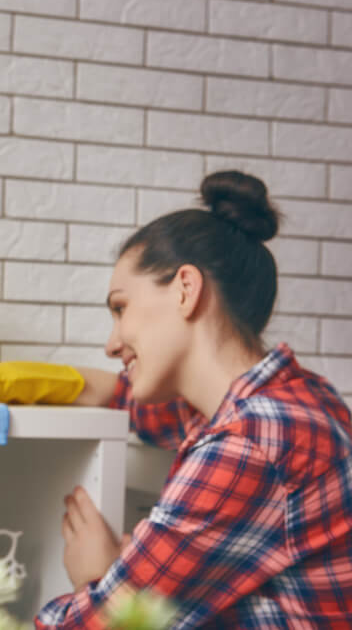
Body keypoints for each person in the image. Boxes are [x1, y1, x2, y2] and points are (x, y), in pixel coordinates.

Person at [35, 171, 352, 628]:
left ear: (186, 289)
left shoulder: (249, 443)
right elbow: (127, 399)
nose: (111, 342)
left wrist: (96, 578)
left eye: (120, 308)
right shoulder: (295, 398)